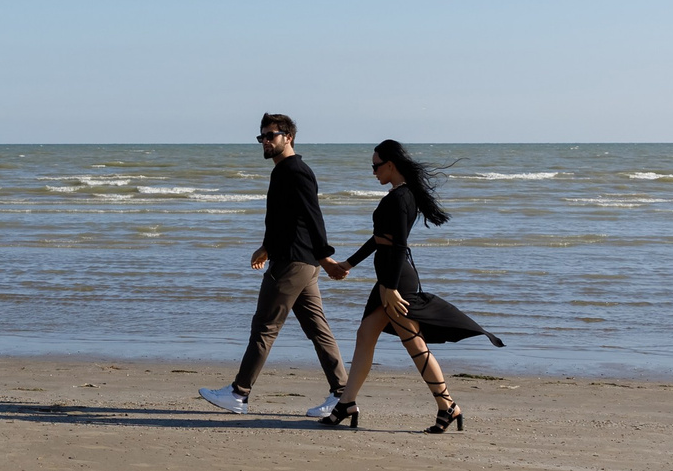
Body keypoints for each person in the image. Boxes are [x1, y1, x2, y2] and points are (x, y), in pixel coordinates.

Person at [317, 138, 504, 432]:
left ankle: (448, 406)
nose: (373, 171)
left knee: (414, 344)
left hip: (395, 281)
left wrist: (389, 287)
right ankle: (347, 403)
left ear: (391, 165)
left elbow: (399, 243)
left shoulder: (401, 199)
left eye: (376, 166)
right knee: (366, 334)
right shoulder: (400, 196)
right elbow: (379, 239)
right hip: (388, 279)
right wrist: (349, 264)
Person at [196, 114, 347, 417]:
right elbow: (285, 220)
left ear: (288, 137)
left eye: (271, 135)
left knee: (264, 327)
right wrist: (267, 247)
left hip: (293, 263)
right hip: (298, 261)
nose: (265, 141)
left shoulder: (295, 171)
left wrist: (325, 257)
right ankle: (343, 395)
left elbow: (313, 216)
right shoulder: (283, 171)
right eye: (262, 137)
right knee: (318, 330)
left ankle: (239, 393)